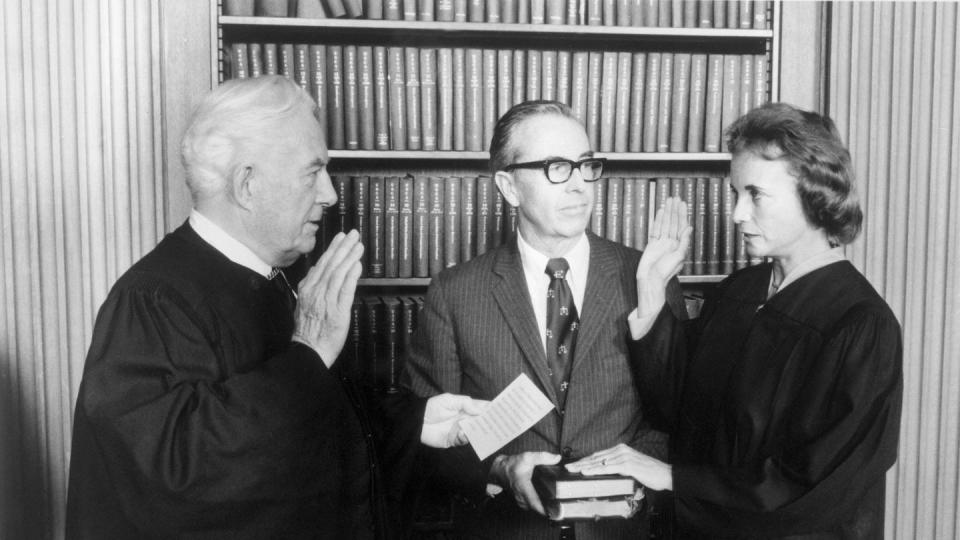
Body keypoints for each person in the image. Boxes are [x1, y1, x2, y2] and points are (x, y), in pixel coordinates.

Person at [65, 75, 486, 540]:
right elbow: (175, 480)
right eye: (313, 172)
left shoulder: (273, 283)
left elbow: (319, 433)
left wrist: (416, 422)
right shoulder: (153, 300)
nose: (330, 194)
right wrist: (306, 353)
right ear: (247, 184)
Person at [567, 103, 903, 539]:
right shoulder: (739, 292)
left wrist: (674, 479)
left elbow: (812, 488)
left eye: (755, 194)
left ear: (814, 192)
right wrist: (651, 290)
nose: (737, 214)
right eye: (735, 194)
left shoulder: (860, 327)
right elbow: (677, 414)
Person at [401, 100, 687, 540]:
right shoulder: (454, 293)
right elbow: (422, 440)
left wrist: (627, 488)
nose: (579, 186)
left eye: (586, 165)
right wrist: (499, 468)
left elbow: (678, 419)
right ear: (509, 187)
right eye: (557, 167)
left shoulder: (648, 276)